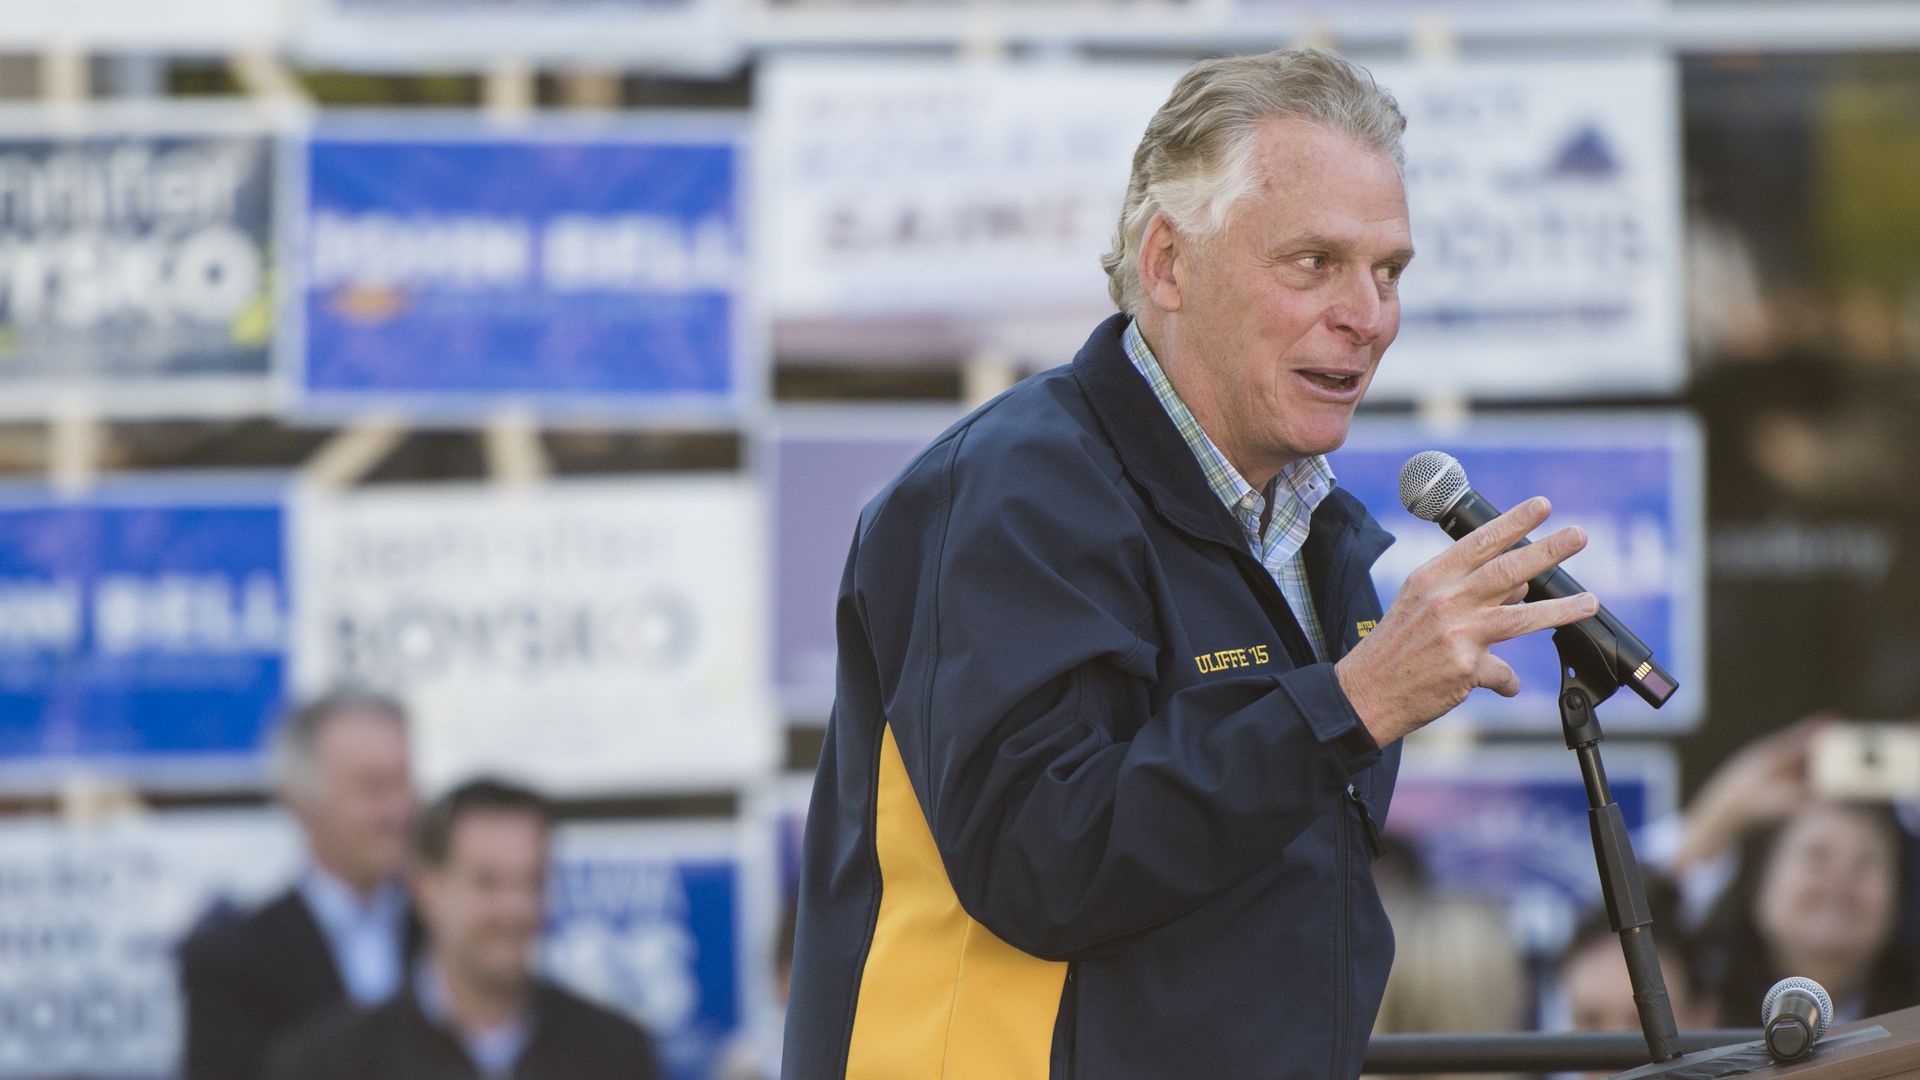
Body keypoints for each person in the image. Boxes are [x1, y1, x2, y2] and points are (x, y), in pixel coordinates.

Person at [783, 47, 1602, 1079]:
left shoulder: (1319, 528)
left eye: (1389, 270)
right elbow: (1042, 865)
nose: (1369, 315)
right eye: (1315, 262)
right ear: (1168, 262)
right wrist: (1349, 703)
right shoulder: (1008, 490)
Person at [269, 778, 660, 1080]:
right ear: (426, 888)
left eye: (532, 882)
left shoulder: (613, 1053)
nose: (515, 908)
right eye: (487, 882)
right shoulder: (331, 1065)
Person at [179, 689, 420, 1080]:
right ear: (302, 802)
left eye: (404, 782)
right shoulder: (231, 962)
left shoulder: (451, 938)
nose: (398, 809)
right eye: (373, 788)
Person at [1693, 801, 1918, 1027]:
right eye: (1817, 856)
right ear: (1759, 876)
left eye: (1865, 863)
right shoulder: (1692, 996)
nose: (1840, 882)